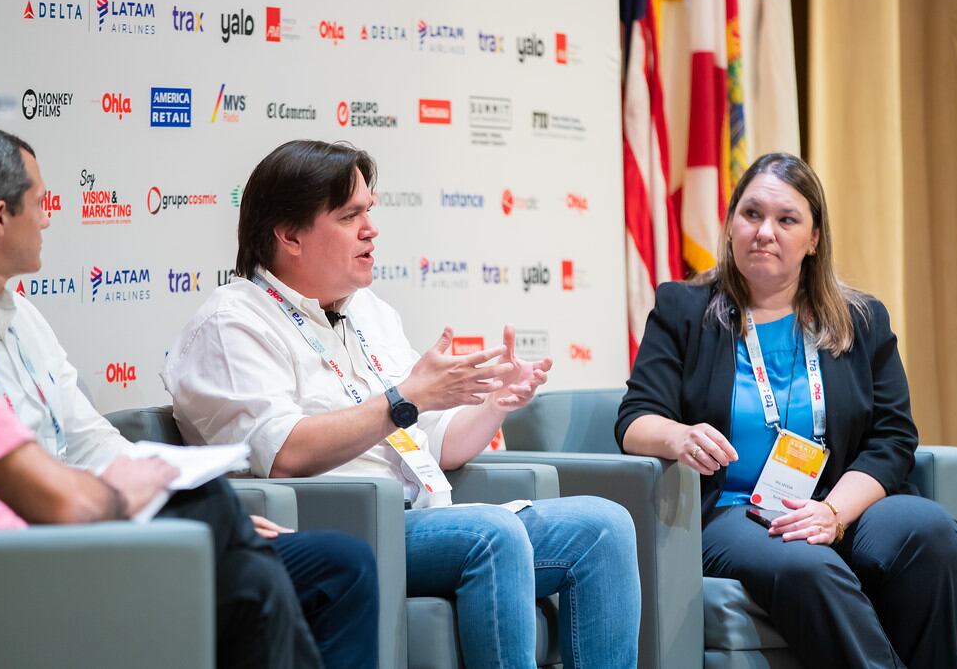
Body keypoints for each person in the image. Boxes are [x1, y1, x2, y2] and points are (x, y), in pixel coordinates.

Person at [163, 139, 642, 668]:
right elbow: (282, 454)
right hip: (339, 527)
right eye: (350, 216)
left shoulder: (368, 312)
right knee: (493, 533)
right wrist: (403, 399)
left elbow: (439, 443)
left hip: (425, 514)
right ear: (290, 235)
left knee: (605, 526)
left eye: (370, 210)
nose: (372, 228)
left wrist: (494, 405)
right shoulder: (233, 324)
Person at [0, 124, 376, 669]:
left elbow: (88, 439)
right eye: (39, 202)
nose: (50, 215)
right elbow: (54, 499)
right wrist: (146, 500)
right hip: (24, 551)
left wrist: (167, 499)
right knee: (235, 545)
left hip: (91, 526)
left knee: (335, 562)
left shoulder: (24, 317)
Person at [617, 152, 957, 668]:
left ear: (814, 238)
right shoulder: (683, 309)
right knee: (807, 563)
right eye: (751, 214)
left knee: (931, 535)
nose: (765, 232)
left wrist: (832, 513)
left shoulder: (862, 319)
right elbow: (634, 420)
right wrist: (678, 436)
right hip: (733, 511)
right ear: (731, 221)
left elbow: (893, 439)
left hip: (839, 504)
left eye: (787, 220)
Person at [0, 352, 177, 528]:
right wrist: (116, 492)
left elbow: (91, 438)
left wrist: (143, 472)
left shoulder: (23, 315)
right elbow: (73, 504)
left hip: (50, 531)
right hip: (14, 557)